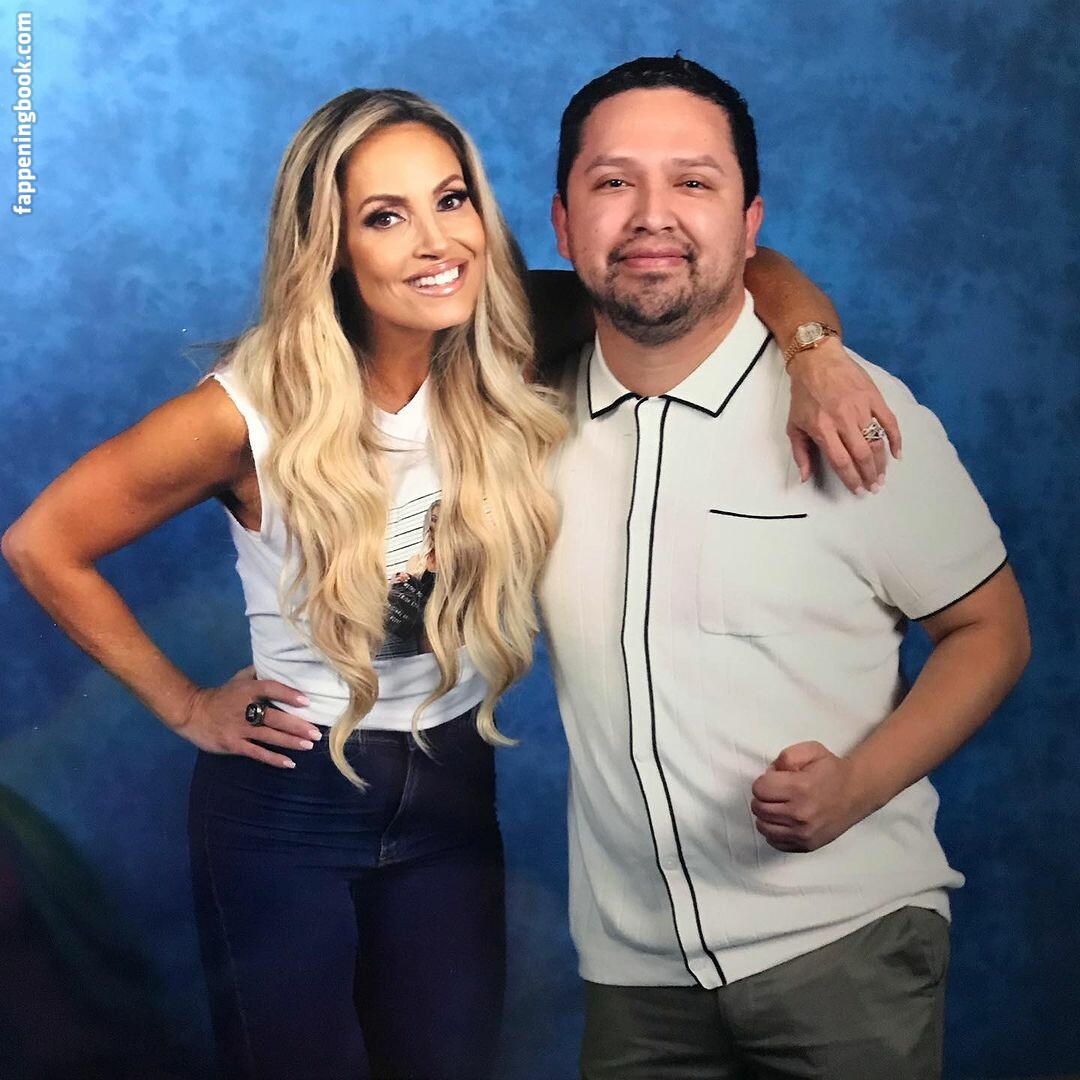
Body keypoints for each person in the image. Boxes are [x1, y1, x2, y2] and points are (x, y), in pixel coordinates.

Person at [5, 87, 892, 1079]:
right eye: (386, 216)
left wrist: (817, 356)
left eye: (452, 199)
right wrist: (184, 703)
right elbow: (44, 541)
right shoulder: (243, 414)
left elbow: (748, 270)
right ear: (331, 246)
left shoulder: (513, 329)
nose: (437, 242)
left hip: (452, 800)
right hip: (288, 810)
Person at [539, 56, 1032, 1080]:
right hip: (632, 984)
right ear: (562, 222)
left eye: (694, 181)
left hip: (844, 954)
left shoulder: (850, 413)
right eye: (614, 181)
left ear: (750, 222)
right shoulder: (520, 412)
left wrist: (856, 786)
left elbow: (991, 631)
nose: (652, 214)